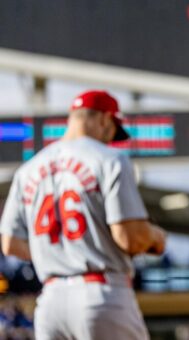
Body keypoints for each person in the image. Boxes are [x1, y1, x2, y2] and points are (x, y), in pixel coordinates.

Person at [0, 90, 167, 340]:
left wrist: (60, 253)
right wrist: (156, 237)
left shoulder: (28, 169)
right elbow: (129, 238)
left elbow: (10, 244)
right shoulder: (110, 159)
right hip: (100, 292)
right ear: (104, 119)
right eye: (112, 130)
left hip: (51, 302)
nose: (111, 139)